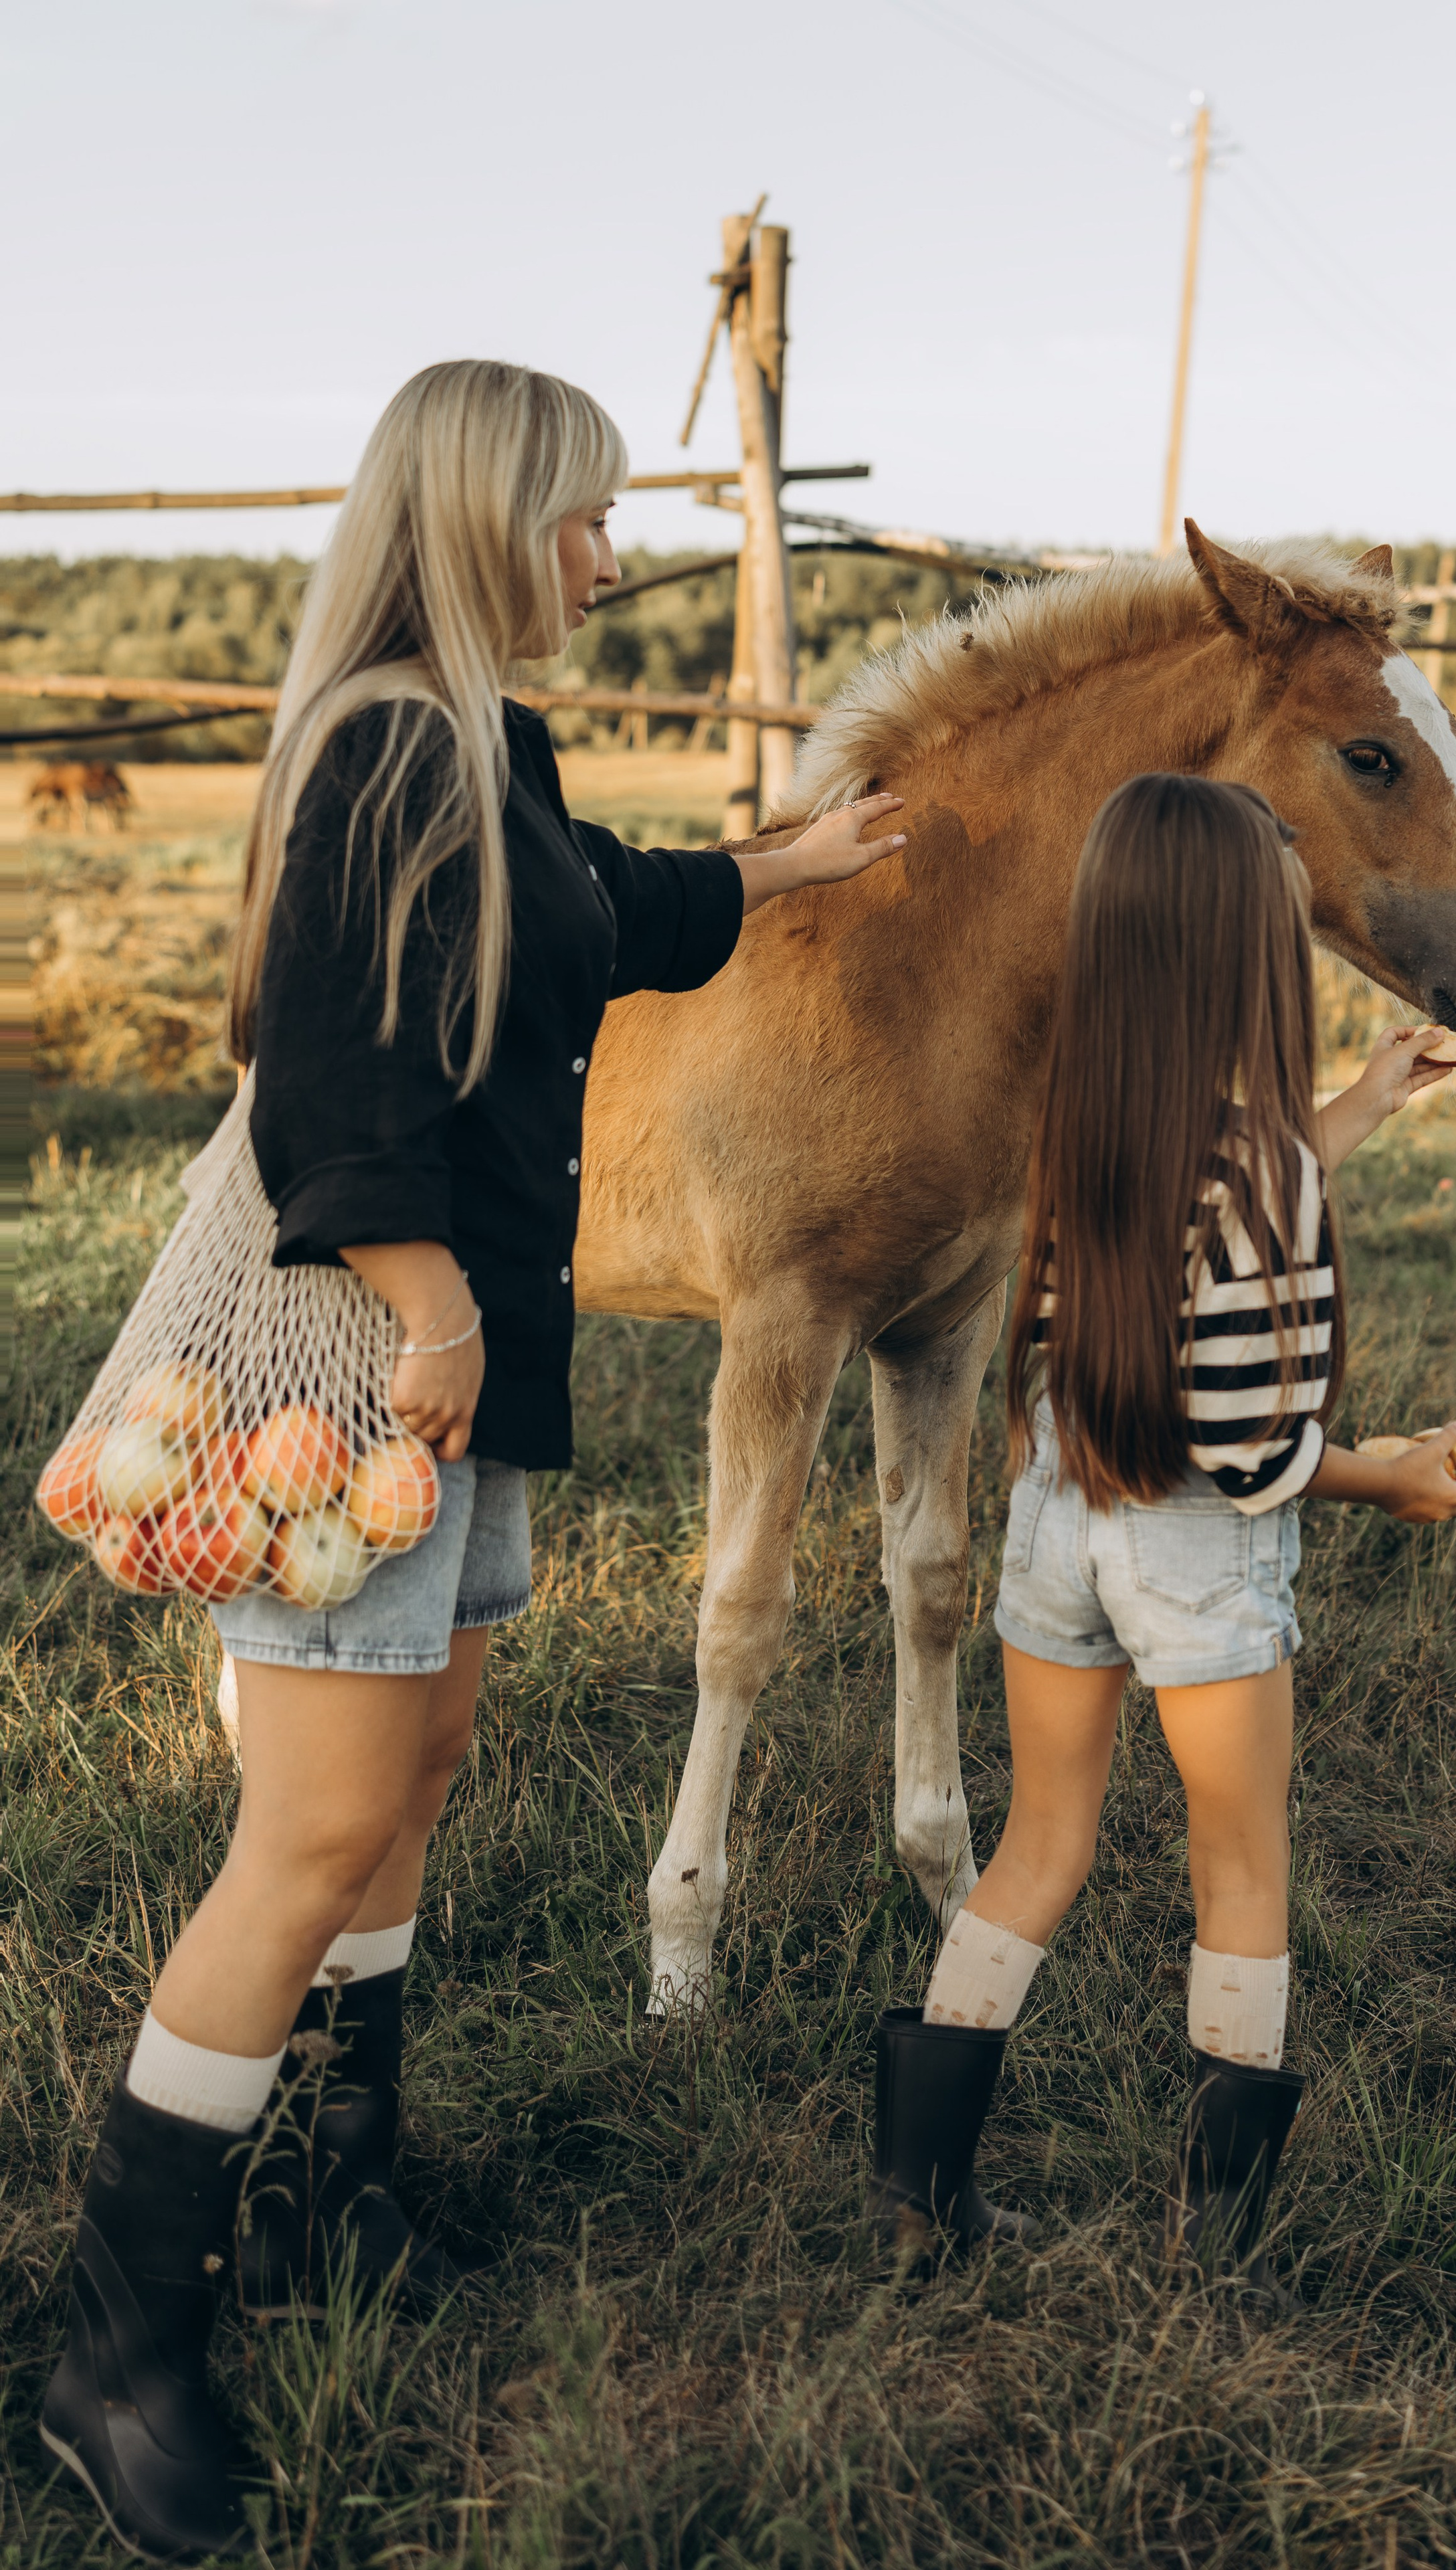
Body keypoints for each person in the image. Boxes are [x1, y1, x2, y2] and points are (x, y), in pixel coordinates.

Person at [39, 359, 909, 2559]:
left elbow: (588, 912)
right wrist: (429, 1310)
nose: (610, 563)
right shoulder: (376, 753)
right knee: (313, 1827)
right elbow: (331, 1077)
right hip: (368, 1356)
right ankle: (113, 2337)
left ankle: (338, 2191)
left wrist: (781, 862)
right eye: (584, 522)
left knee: (410, 1777)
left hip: (456, 1359)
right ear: (485, 518)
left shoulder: (480, 749)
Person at [867, 771, 1456, 2290]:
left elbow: (1227, 1194)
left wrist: (1365, 1101)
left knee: (1041, 1848)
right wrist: (1383, 1472)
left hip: (1056, 1519)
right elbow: (1249, 1442)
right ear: (1239, 962)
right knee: (1241, 1870)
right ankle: (1217, 2250)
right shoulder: (1261, 1177)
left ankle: (919, 2201)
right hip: (1195, 1554)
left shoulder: (1091, 1127)